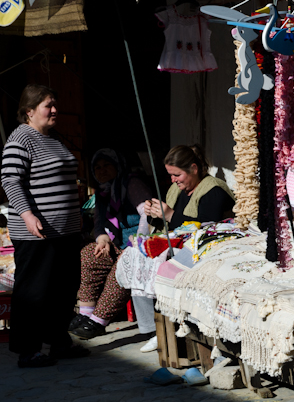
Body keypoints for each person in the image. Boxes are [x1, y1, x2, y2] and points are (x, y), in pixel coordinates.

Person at [1, 85, 86, 368]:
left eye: (54, 104)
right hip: (37, 232)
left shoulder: (51, 138)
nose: (54, 110)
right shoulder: (20, 138)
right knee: (34, 290)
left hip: (66, 229)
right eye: (48, 105)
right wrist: (27, 214)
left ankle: (58, 341)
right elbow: (11, 181)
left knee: (63, 287)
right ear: (29, 111)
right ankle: (28, 349)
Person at [131, 145, 234, 351]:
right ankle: (153, 329)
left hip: (208, 248)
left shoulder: (213, 189)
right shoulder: (176, 190)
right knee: (136, 256)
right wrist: (155, 214)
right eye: (170, 175)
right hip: (181, 243)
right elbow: (169, 225)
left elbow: (208, 227)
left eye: (177, 174)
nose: (173, 180)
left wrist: (168, 214)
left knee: (163, 263)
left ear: (194, 169)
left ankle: (173, 328)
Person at [71, 149, 153, 340]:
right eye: (97, 167)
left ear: (117, 165)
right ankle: (86, 313)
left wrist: (137, 244)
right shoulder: (102, 192)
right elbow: (99, 224)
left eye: (107, 165)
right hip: (117, 244)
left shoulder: (131, 183)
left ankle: (99, 320)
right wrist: (102, 238)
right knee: (90, 253)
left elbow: (147, 214)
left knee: (123, 266)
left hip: (141, 243)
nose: (102, 171)